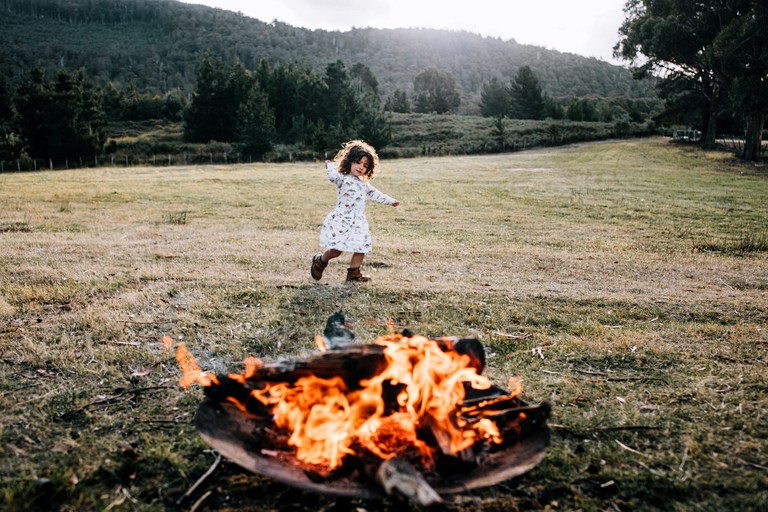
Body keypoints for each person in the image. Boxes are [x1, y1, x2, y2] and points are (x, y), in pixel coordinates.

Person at [311, 140, 400, 283]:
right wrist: (330, 165)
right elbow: (332, 176)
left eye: (365, 165)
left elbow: (375, 194)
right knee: (336, 251)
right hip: (342, 219)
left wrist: (390, 201)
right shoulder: (342, 178)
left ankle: (353, 275)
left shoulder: (363, 184)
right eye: (358, 162)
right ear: (349, 162)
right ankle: (320, 261)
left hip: (358, 221)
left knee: (361, 246)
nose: (361, 167)